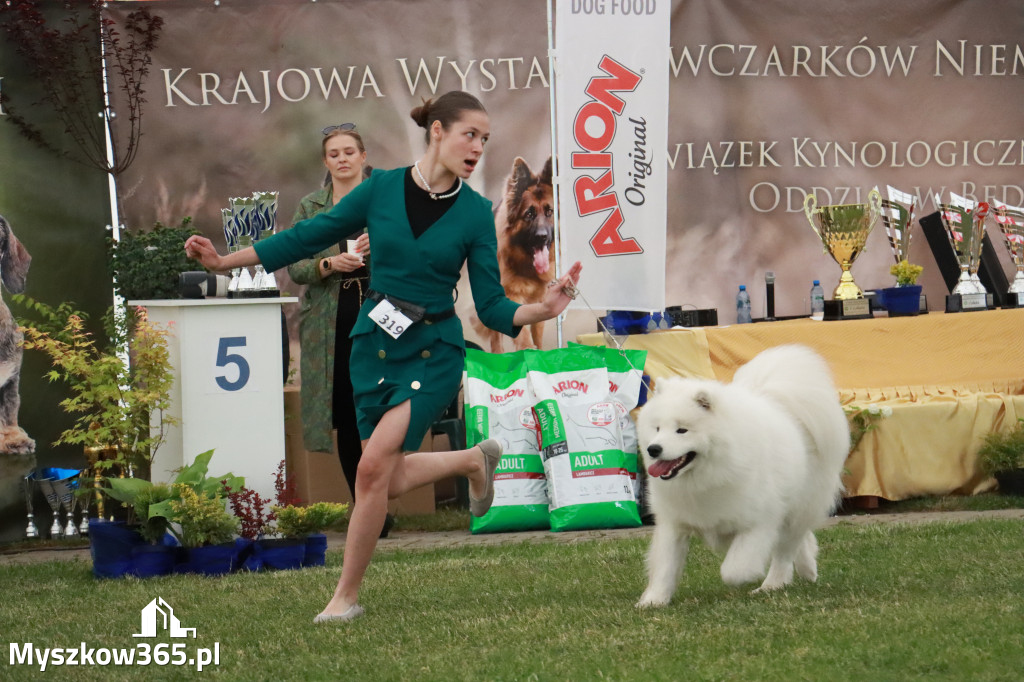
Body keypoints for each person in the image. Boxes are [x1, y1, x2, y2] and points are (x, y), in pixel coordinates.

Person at [185, 91, 582, 623]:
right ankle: (472, 460)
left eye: (485, 139)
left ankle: (343, 598)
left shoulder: (473, 213)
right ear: (437, 131)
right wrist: (223, 262)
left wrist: (544, 309)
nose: (478, 147)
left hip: (432, 352)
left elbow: (490, 304)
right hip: (372, 348)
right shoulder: (380, 190)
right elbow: (305, 239)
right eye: (470, 134)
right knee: (384, 478)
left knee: (371, 468)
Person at [283, 124, 395, 536]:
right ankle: (365, 508)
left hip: (384, 314)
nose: (343, 159)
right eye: (334, 153)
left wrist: (377, 254)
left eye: (350, 151)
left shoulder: (387, 197)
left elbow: (413, 252)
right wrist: (330, 265)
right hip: (333, 319)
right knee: (348, 413)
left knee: (383, 410)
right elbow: (295, 265)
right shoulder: (312, 206)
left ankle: (383, 496)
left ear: (364, 156)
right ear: (326, 162)